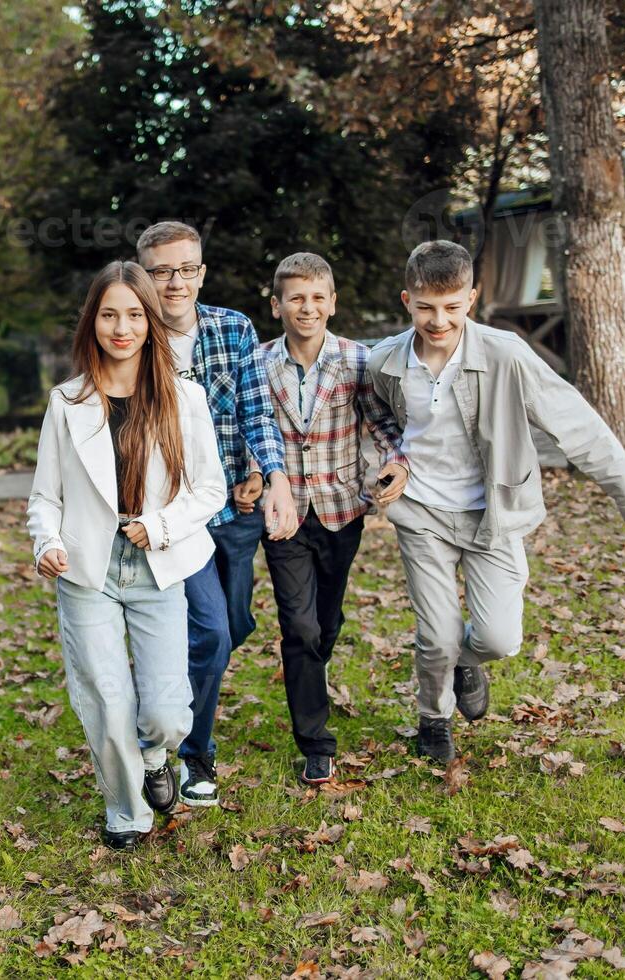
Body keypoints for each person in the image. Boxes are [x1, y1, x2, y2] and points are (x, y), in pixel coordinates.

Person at [368, 240, 625, 763]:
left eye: (453, 306)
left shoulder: (506, 354)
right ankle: (434, 716)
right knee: (435, 636)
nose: (439, 320)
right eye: (427, 307)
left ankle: (466, 661)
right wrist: (387, 467)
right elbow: (382, 429)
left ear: (472, 298)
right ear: (407, 299)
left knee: (500, 638)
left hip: (493, 514)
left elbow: (575, 422)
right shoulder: (384, 362)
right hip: (423, 513)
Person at [28, 261, 227, 850]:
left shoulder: (183, 398)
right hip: (88, 567)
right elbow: (45, 495)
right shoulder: (67, 402)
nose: (122, 327)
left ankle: (159, 754)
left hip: (157, 565)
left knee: (166, 712)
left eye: (135, 314)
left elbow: (210, 489)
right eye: (110, 314)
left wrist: (161, 525)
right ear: (92, 321)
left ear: (150, 320)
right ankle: (125, 812)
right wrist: (48, 541)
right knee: (107, 699)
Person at [135, 221, 298, 807]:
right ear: (143, 276)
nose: (175, 282)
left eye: (186, 269)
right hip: (177, 520)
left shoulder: (234, 329)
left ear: (202, 271)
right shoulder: (134, 334)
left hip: (237, 508)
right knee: (212, 629)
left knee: (232, 627)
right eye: (161, 271)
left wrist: (273, 476)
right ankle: (190, 754)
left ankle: (164, 703)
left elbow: (257, 413)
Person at [251, 253, 407, 783]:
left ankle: (314, 659)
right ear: (277, 306)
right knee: (298, 624)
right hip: (284, 512)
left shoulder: (358, 360)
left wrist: (394, 461)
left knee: (326, 622)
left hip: (343, 508)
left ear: (333, 303)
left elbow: (381, 423)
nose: (307, 307)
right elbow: (253, 428)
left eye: (318, 297)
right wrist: (254, 472)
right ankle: (315, 741)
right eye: (296, 298)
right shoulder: (259, 363)